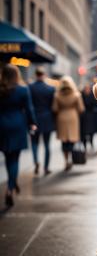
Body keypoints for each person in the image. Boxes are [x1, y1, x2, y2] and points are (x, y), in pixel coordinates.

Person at [0, 64, 37, 207]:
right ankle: (10, 189)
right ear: (16, 75)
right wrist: (32, 123)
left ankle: (12, 182)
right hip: (18, 126)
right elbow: (29, 109)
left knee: (8, 156)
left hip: (2, 126)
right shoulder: (22, 90)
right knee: (14, 159)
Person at [52, 76, 84, 171]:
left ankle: (66, 160)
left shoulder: (57, 95)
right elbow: (81, 108)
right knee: (72, 139)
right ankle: (72, 157)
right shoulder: (76, 95)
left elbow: (54, 108)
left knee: (64, 141)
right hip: (73, 117)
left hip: (61, 118)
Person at [29, 66, 55, 176]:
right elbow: (53, 106)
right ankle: (46, 167)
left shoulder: (30, 88)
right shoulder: (50, 89)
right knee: (47, 144)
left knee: (34, 143)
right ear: (44, 75)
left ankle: (36, 162)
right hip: (47, 118)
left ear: (36, 75)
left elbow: (29, 105)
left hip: (34, 119)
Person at [80, 83, 95, 151]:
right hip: (83, 116)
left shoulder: (92, 95)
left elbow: (94, 104)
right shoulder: (81, 95)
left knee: (91, 132)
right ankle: (85, 145)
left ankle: (91, 144)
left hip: (91, 116)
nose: (87, 90)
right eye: (86, 89)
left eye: (88, 89)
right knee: (84, 132)